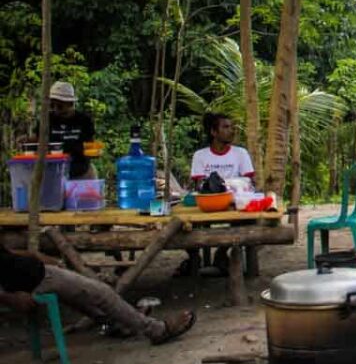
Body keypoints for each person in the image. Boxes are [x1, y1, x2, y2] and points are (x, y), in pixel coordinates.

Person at [0, 245, 195, 344]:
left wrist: (35, 256)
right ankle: (156, 330)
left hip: (38, 273)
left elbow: (7, 253)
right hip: (35, 281)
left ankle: (119, 324)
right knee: (102, 293)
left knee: (83, 297)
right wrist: (9, 297)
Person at [175, 113, 255, 276]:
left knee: (246, 219)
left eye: (231, 127)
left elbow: (248, 182)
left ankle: (221, 252)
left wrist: (223, 185)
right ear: (213, 132)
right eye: (225, 127)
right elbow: (199, 184)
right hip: (209, 202)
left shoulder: (240, 153)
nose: (231, 131)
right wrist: (224, 185)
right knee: (182, 222)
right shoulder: (201, 155)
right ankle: (194, 256)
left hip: (234, 202)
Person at [42, 81, 96, 180]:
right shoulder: (47, 119)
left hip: (81, 172)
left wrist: (91, 150)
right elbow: (39, 141)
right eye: (52, 106)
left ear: (70, 104)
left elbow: (92, 147)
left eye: (60, 106)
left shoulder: (84, 120)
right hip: (53, 173)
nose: (56, 110)